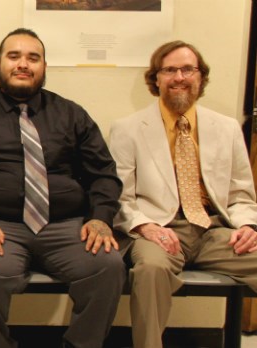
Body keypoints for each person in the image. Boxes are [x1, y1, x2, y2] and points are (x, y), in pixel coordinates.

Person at [0, 28, 125, 348]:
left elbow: (104, 171)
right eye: (14, 56)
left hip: (66, 227)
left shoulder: (71, 113)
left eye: (33, 58)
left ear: (44, 66)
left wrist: (101, 217)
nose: (23, 64)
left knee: (108, 265)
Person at [108, 40, 257, 348]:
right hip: (159, 232)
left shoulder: (227, 128)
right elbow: (118, 196)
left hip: (215, 231)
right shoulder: (128, 129)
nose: (179, 77)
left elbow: (242, 193)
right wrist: (143, 226)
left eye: (188, 69)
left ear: (200, 77)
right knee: (149, 270)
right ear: (156, 78)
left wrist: (248, 226)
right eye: (170, 70)